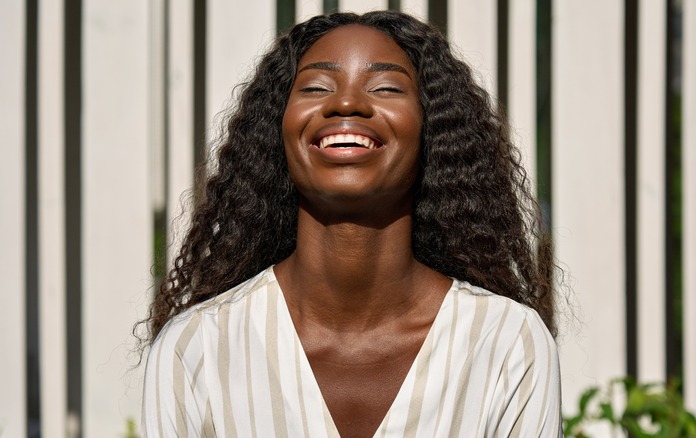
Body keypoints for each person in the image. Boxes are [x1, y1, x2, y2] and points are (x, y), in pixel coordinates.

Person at [140, 10, 562, 437]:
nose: (346, 103)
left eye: (385, 87)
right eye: (316, 87)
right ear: (277, 130)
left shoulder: (507, 344)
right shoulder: (196, 349)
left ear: (432, 130)